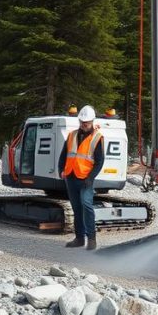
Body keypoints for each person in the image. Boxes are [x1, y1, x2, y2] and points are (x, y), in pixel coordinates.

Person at [58, 105, 104, 250]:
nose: (84, 125)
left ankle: (91, 238)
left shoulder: (97, 137)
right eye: (82, 122)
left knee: (86, 205)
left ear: (92, 121)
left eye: (87, 123)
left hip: (85, 179)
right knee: (76, 208)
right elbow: (63, 155)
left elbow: (100, 161)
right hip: (71, 177)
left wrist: (90, 178)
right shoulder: (72, 135)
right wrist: (61, 170)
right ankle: (79, 238)